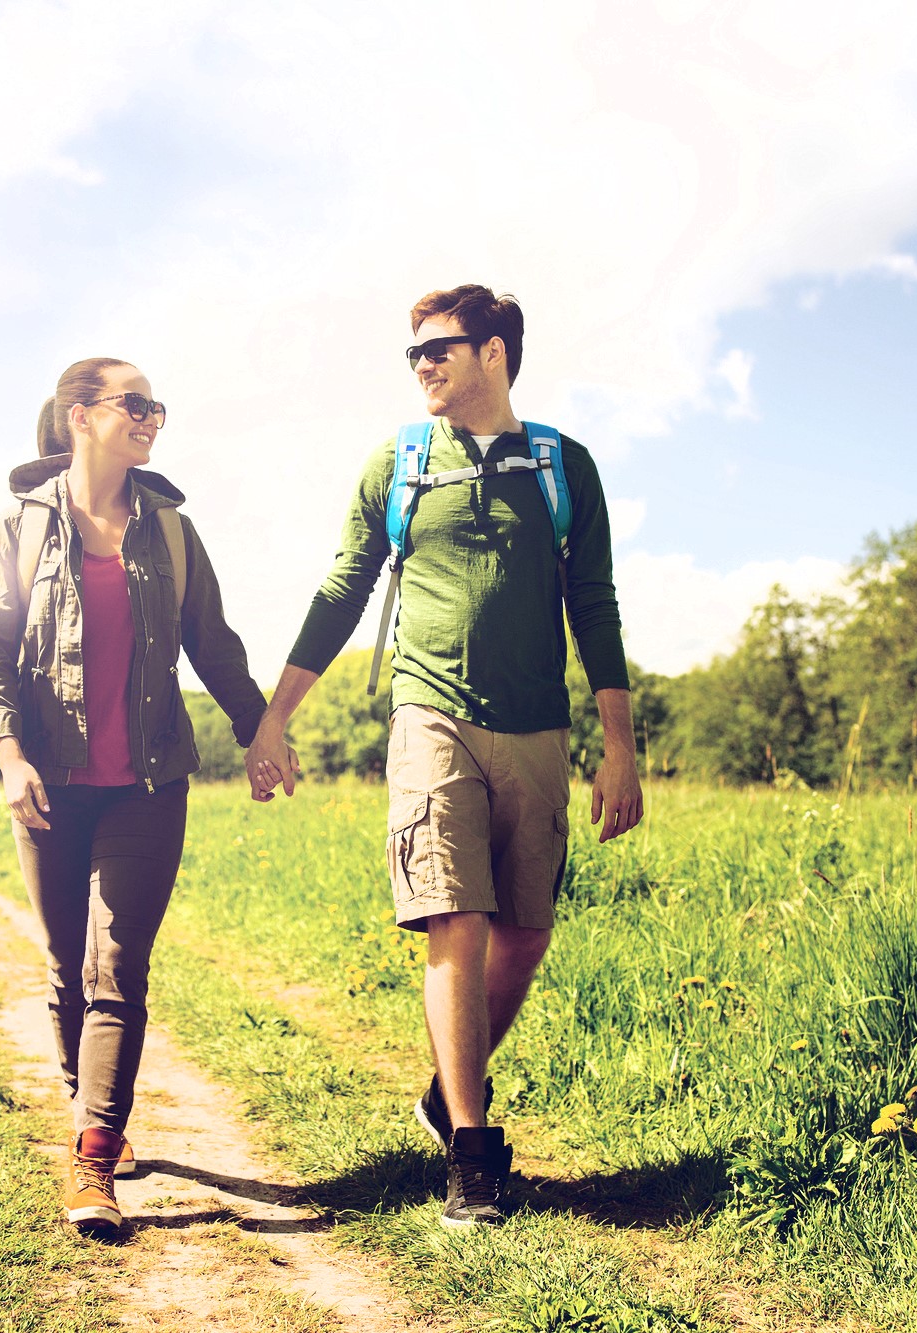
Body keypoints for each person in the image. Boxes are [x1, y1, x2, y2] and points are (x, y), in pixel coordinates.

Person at [244, 285, 643, 1229]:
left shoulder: (561, 466)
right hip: (429, 716)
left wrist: (618, 747)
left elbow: (596, 604)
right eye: (414, 352)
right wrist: (274, 717)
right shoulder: (400, 462)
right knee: (452, 914)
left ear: (496, 352)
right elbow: (345, 586)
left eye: (441, 348)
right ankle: (472, 1150)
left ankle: (444, 1089)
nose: (422, 364)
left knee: (526, 929)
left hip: (540, 724)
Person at [0, 357, 286, 1232]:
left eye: (158, 407)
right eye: (134, 403)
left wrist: (258, 729)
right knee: (66, 962)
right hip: (50, 783)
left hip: (148, 783)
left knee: (118, 965)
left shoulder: (172, 532)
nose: (152, 417)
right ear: (80, 415)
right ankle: (89, 1100)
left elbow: (214, 645)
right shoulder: (19, 528)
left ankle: (93, 1158)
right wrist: (8, 750)